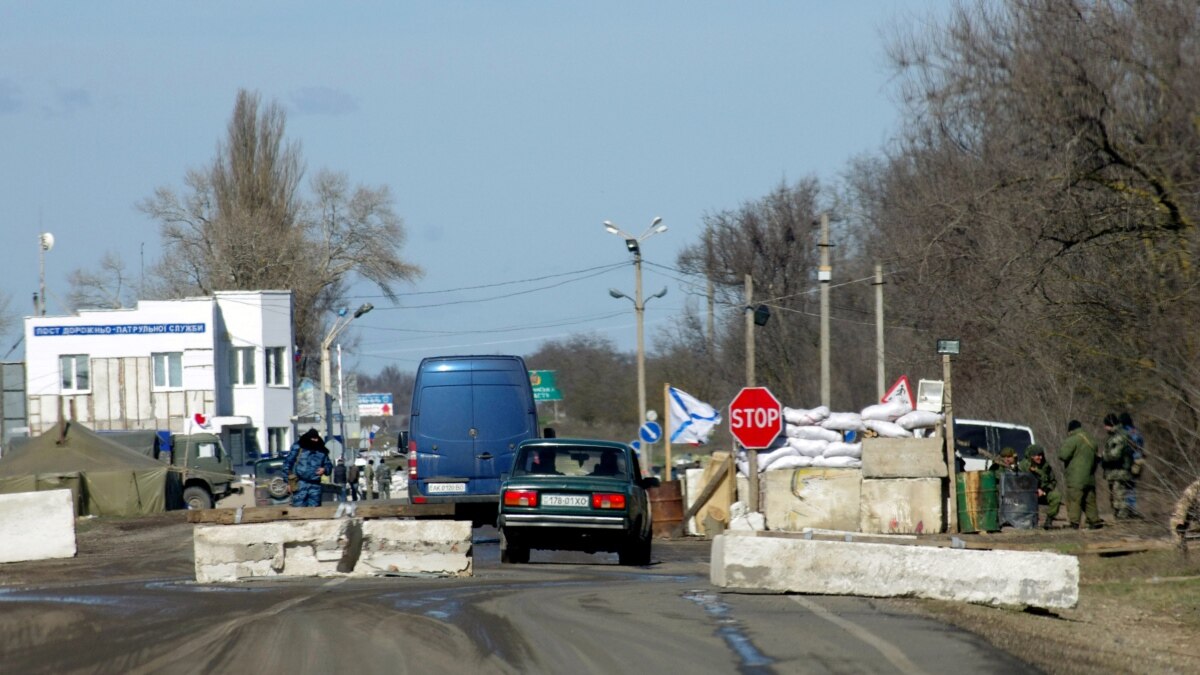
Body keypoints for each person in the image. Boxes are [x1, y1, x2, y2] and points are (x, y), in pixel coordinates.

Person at [1058, 419, 1102, 529]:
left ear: (1070, 430)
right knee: (1089, 500)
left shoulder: (1073, 439)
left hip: (1076, 478)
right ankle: (1094, 521)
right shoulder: (1091, 439)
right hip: (1090, 477)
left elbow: (1063, 455)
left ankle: (1074, 523)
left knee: (1074, 500)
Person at [1019, 444, 1062, 529]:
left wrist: (1044, 490)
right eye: (1037, 455)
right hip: (1027, 493)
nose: (1040, 457)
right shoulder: (1024, 466)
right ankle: (1027, 521)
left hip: (1042, 493)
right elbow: (1021, 482)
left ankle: (1049, 521)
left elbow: (1052, 481)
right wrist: (1034, 489)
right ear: (1031, 456)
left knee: (1056, 496)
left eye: (1041, 455)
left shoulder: (1046, 466)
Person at [1100, 413, 1135, 519]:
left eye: (1106, 425)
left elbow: (1115, 454)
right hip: (1115, 472)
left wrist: (1103, 456)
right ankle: (1120, 515)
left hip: (1120, 471)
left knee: (1120, 495)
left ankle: (1123, 517)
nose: (1104, 428)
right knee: (1116, 496)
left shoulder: (1120, 436)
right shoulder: (1116, 435)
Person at [287, 428, 333, 507]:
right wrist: (287, 482)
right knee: (298, 511)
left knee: (315, 512)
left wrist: (324, 469)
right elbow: (288, 464)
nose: (315, 440)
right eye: (313, 438)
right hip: (299, 484)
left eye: (316, 438)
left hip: (315, 486)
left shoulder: (321, 450)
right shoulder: (298, 447)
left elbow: (329, 465)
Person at [1120, 412, 1146, 517]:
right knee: (1132, 485)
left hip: (1130, 461)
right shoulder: (1137, 432)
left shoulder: (1125, 433)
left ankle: (1129, 509)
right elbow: (1141, 445)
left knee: (1127, 485)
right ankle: (1132, 508)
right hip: (1139, 461)